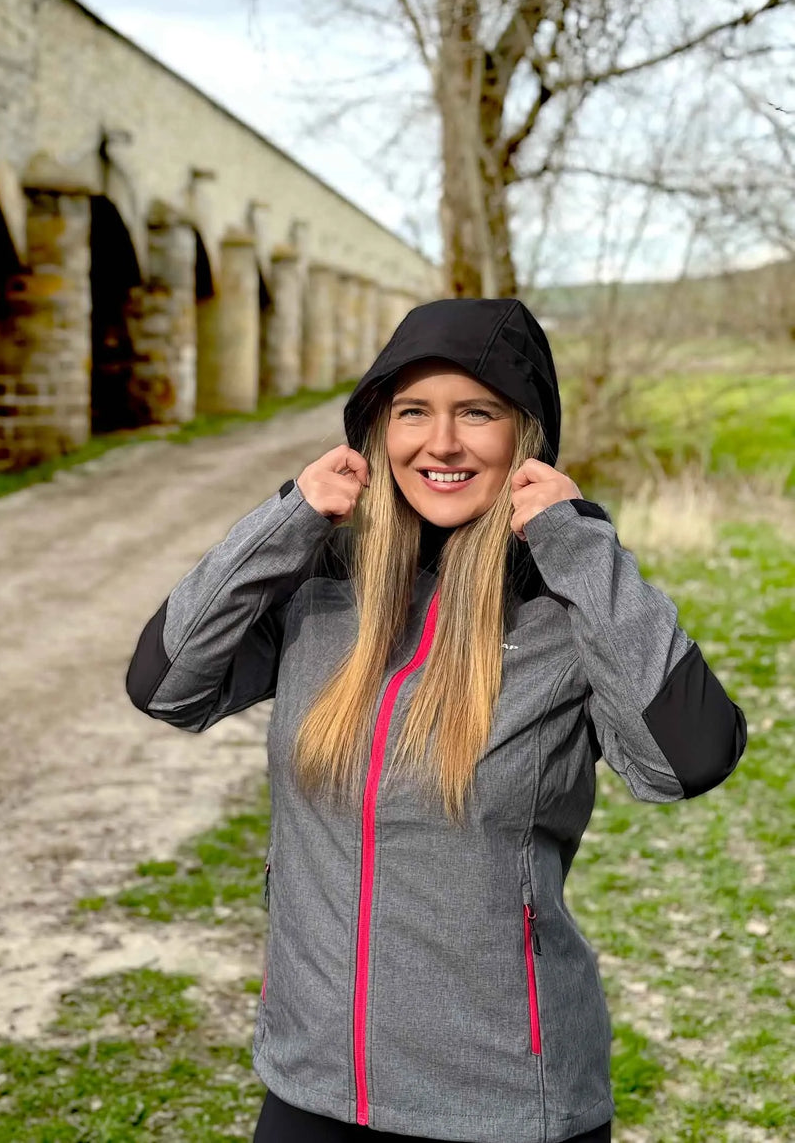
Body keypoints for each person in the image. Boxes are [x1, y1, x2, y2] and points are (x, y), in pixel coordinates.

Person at [125, 298, 747, 1143]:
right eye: (412, 411)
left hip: (505, 1106)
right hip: (312, 1088)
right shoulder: (324, 586)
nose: (441, 442)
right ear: (378, 430)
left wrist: (579, 544)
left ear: (525, 435)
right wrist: (289, 517)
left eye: (477, 412)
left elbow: (690, 757)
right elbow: (166, 683)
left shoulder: (566, 608)